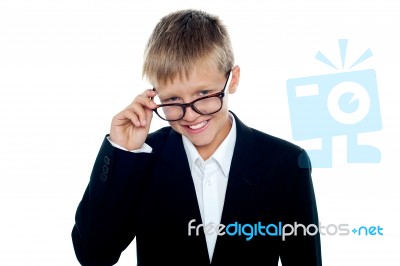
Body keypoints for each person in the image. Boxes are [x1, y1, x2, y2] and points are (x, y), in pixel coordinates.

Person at [71, 9, 322, 266]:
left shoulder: (286, 164)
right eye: (172, 99)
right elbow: (93, 255)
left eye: (204, 94)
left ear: (232, 80)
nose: (190, 115)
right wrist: (122, 152)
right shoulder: (141, 159)